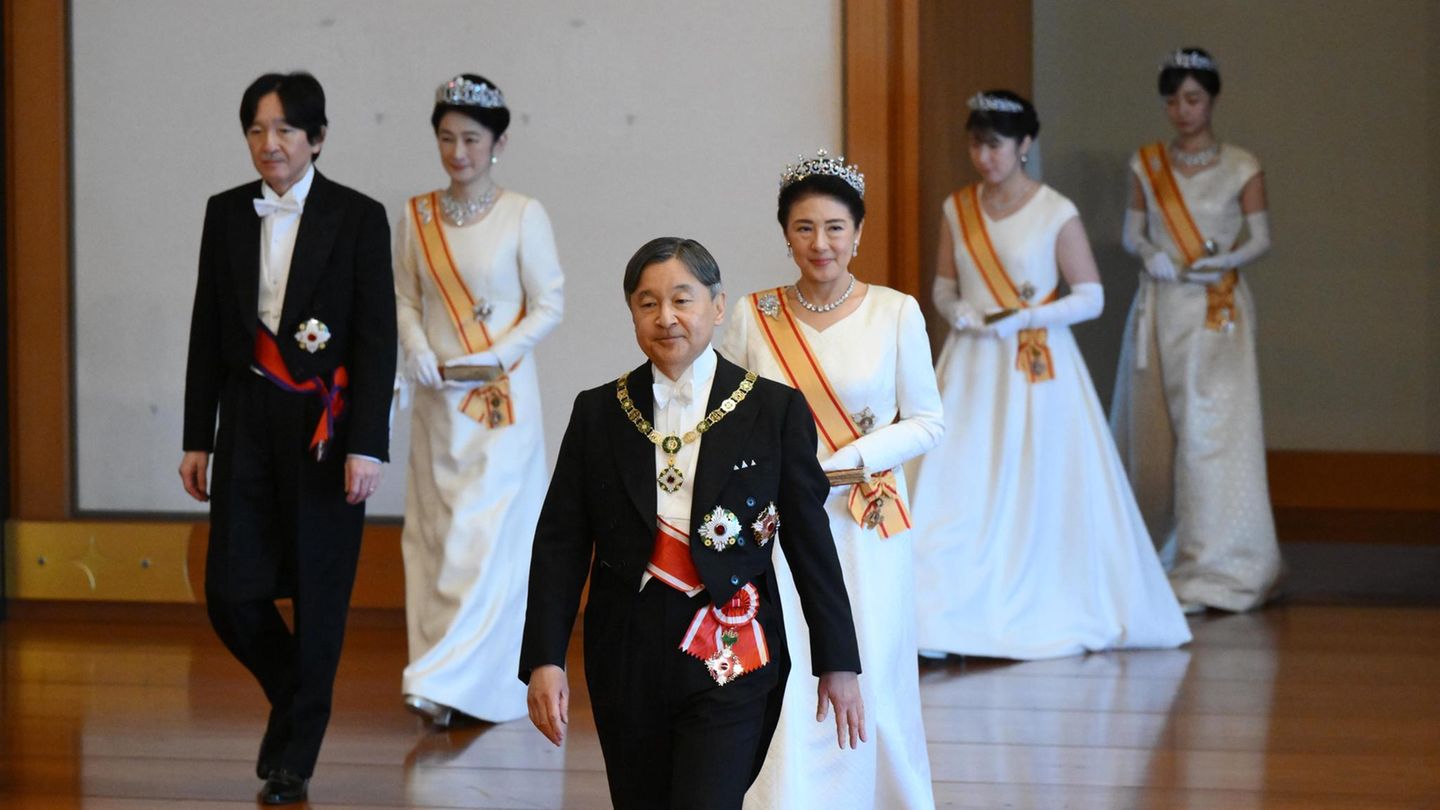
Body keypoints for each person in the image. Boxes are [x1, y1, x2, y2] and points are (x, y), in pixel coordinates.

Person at [519, 237, 866, 810]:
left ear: (718, 305)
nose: (666, 317)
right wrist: (544, 659)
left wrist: (838, 662)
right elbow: (559, 544)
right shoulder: (598, 411)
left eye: (682, 299)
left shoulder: (772, 410)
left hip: (731, 642)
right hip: (625, 650)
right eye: (647, 303)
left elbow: (811, 543)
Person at [909, 90, 1190, 660]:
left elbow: (1091, 296)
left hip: (1034, 363)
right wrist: (957, 311)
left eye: (995, 145)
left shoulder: (1054, 210)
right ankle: (938, 615)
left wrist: (1027, 317)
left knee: (1040, 482)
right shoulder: (957, 208)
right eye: (976, 145)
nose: (984, 157)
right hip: (972, 362)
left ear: (1025, 144)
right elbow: (943, 285)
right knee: (955, 483)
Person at [179, 71, 396, 805]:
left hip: (323, 429)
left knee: (319, 593)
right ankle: (299, 699)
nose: (268, 144)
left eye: (283, 130)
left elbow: (377, 340)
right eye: (256, 130)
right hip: (244, 419)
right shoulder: (225, 212)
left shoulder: (358, 217)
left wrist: (367, 444)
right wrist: (197, 436)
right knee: (229, 593)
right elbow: (207, 329)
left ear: (317, 138)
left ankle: (293, 760)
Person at [719, 150, 942, 809]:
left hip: (862, 517)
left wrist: (858, 459)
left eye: (836, 227)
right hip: (780, 523)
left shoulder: (895, 311)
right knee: (787, 664)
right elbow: (723, 414)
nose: (821, 243)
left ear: (859, 233)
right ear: (786, 235)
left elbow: (927, 421)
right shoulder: (753, 315)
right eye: (805, 227)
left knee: (869, 661)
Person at [394, 74, 564, 728]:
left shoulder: (524, 214)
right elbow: (406, 297)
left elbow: (549, 303)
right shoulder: (416, 216)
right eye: (446, 138)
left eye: (470, 139)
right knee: (437, 536)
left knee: (486, 537)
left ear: (499, 142)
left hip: (498, 402)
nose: (458, 152)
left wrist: (494, 356)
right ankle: (442, 678)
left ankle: (454, 680)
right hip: (438, 399)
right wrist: (416, 348)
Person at [1111, 49, 1281, 613]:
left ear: (1211, 99)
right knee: (1156, 433)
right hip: (1161, 305)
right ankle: (1160, 556)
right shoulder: (1148, 164)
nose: (1182, 111)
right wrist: (1150, 253)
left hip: (1217, 308)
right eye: (1173, 101)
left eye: (1192, 99)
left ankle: (1220, 562)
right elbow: (1132, 233)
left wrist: (1227, 260)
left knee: (1215, 432)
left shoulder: (1241, 165)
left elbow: (1261, 237)